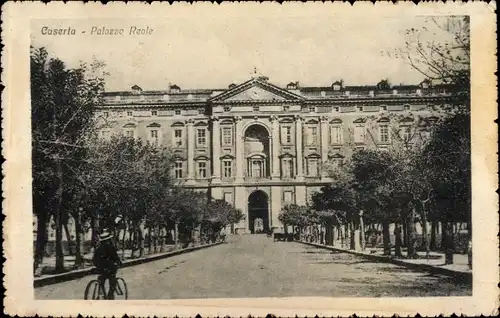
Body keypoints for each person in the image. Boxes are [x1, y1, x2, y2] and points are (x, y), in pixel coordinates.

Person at [92, 229, 122, 300]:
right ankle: (110, 296)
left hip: (100, 268)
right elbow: (115, 257)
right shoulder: (110, 247)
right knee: (112, 281)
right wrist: (118, 262)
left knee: (102, 279)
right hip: (108, 269)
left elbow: (94, 259)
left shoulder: (98, 248)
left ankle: (102, 293)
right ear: (108, 240)